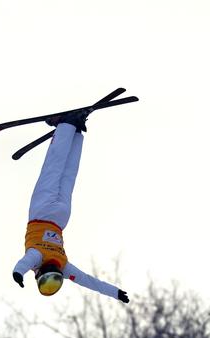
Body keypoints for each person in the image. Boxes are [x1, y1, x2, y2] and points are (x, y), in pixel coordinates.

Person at [12, 111, 130, 303]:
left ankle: (75, 134)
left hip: (61, 216)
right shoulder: (39, 258)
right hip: (42, 212)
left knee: (68, 175)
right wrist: (18, 273)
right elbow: (88, 282)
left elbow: (88, 282)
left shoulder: (58, 264)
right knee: (53, 169)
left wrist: (115, 292)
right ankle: (67, 126)